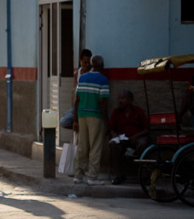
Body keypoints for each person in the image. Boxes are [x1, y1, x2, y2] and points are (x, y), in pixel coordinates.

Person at [73, 54, 110, 185]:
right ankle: (92, 177)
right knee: (95, 146)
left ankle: (78, 175)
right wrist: (106, 121)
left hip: (82, 114)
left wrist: (75, 119)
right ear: (101, 66)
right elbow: (102, 101)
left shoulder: (82, 78)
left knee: (82, 145)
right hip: (96, 116)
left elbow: (77, 100)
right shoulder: (103, 80)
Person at [108, 91, 149, 184]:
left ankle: (145, 176)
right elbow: (111, 129)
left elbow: (146, 129)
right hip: (123, 139)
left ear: (130, 100)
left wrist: (136, 136)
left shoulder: (138, 111)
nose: (120, 101)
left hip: (138, 138)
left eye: (122, 98)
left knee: (143, 144)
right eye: (119, 98)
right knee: (113, 144)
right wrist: (115, 135)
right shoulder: (116, 112)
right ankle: (119, 175)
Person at [60, 48, 92, 129]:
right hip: (78, 104)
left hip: (87, 105)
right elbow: (77, 93)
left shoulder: (92, 73)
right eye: (85, 62)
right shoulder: (77, 74)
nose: (87, 65)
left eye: (89, 63)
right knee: (63, 120)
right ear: (80, 60)